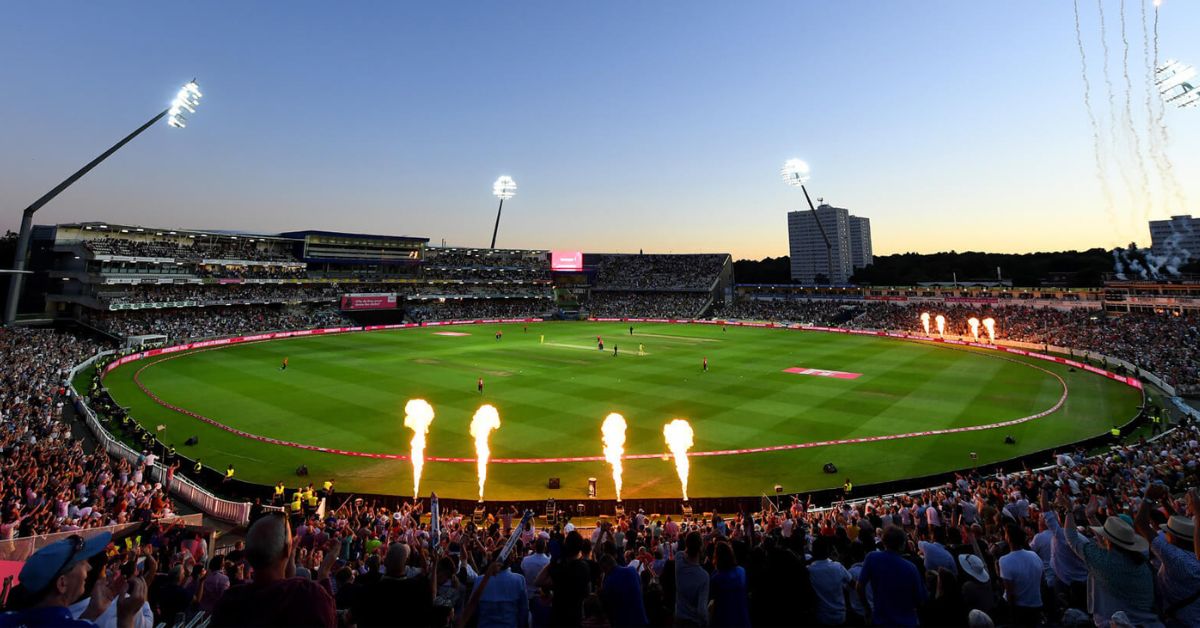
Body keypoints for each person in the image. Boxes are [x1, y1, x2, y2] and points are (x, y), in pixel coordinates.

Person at [211, 513, 337, 627]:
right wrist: (324, 572)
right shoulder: (309, 594)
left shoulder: (229, 601)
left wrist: (290, 558)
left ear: (247, 554)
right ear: (287, 549)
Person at [0, 532, 147, 628]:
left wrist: (92, 612)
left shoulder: (6, 620)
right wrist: (126, 618)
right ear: (62, 583)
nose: (89, 568)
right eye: (82, 563)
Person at [857, 526, 927, 627]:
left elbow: (859, 586)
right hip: (907, 622)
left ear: (884, 541)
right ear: (902, 545)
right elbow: (920, 599)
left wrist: (867, 609)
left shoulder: (872, 558)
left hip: (880, 621)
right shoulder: (911, 568)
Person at [997, 524, 1043, 625]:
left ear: (1008, 538)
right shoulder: (1034, 555)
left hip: (1020, 609)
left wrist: (1012, 616)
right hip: (1036, 605)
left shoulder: (1004, 560)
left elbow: (1009, 593)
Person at [675, 531, 709, 626]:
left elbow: (683, 553)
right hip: (694, 622)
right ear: (700, 548)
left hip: (679, 618)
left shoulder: (679, 560)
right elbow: (702, 610)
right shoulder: (704, 576)